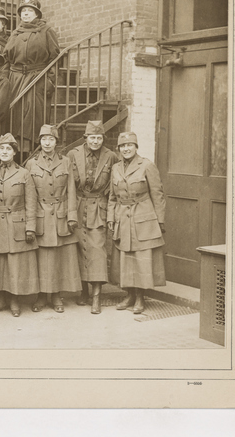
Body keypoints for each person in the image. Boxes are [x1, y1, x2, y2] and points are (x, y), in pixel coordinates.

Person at [107, 132, 167, 315]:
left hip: (143, 217)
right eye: (122, 146)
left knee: (141, 260)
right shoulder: (116, 168)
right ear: (118, 149)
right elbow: (112, 197)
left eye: (130, 145)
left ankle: (140, 298)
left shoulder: (147, 165)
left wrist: (160, 220)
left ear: (136, 147)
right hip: (122, 218)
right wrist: (111, 217)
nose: (126, 149)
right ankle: (129, 295)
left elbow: (158, 194)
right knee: (126, 260)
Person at [25, 124, 82, 313]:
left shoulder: (65, 162)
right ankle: (41, 296)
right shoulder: (31, 164)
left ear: (56, 142)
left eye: (51, 139)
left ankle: (57, 295)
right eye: (43, 139)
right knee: (42, 258)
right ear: (39, 142)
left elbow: (72, 190)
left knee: (59, 258)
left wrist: (72, 216)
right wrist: (30, 224)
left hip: (60, 214)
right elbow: (29, 196)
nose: (47, 143)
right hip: (42, 215)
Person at [0, 133, 39, 317]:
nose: (5, 152)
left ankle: (15, 300)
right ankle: (1, 299)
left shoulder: (24, 174)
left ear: (14, 152)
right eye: (2, 148)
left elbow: (31, 202)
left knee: (16, 265)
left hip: (17, 223)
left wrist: (30, 227)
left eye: (9, 149)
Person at [67, 120, 117, 314]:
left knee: (97, 250)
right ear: (85, 138)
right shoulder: (73, 155)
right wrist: (71, 213)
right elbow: (69, 185)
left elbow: (113, 188)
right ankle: (84, 292)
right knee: (79, 248)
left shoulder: (111, 156)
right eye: (92, 137)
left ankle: (97, 296)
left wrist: (109, 213)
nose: (95, 141)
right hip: (78, 205)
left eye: (99, 137)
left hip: (99, 207)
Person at [3, 0, 61, 154]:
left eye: (29, 11)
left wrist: (50, 80)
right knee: (15, 113)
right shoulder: (15, 32)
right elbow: (6, 58)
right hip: (15, 78)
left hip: (37, 77)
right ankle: (16, 152)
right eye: (23, 11)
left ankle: (32, 151)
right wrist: (4, 80)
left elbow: (54, 58)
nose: (26, 14)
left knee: (34, 115)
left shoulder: (47, 31)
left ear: (37, 13)